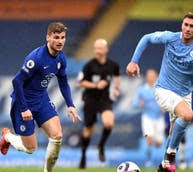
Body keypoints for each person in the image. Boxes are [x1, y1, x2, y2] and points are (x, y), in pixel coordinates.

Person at [126, 12, 193, 172]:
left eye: (192, 26)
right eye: (185, 24)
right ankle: (170, 155)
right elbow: (146, 38)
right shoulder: (170, 37)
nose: (187, 28)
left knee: (174, 133)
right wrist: (133, 61)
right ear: (182, 24)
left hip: (185, 94)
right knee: (187, 115)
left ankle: (163, 166)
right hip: (164, 89)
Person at [0, 22, 81, 172]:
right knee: (30, 148)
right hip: (23, 102)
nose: (60, 41)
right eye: (56, 37)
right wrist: (24, 108)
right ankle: (7, 137)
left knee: (57, 135)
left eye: (63, 37)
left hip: (41, 99)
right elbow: (17, 81)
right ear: (48, 38)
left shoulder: (61, 58)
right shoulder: (36, 58)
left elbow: (63, 81)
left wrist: (70, 105)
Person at [77, 39, 120, 169]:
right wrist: (96, 85)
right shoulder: (89, 65)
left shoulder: (113, 65)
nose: (97, 51)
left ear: (106, 49)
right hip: (90, 100)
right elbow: (80, 83)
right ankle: (83, 156)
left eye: (100, 48)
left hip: (105, 100)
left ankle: (101, 145)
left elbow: (117, 77)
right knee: (88, 130)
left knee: (109, 123)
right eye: (96, 48)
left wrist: (116, 89)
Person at [132, 69, 165, 167]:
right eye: (148, 75)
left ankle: (154, 139)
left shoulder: (160, 89)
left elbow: (167, 101)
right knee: (149, 137)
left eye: (152, 75)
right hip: (147, 118)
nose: (150, 77)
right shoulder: (142, 90)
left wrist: (165, 107)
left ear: (156, 77)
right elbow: (134, 104)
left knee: (159, 143)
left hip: (159, 118)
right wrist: (139, 103)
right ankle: (148, 161)